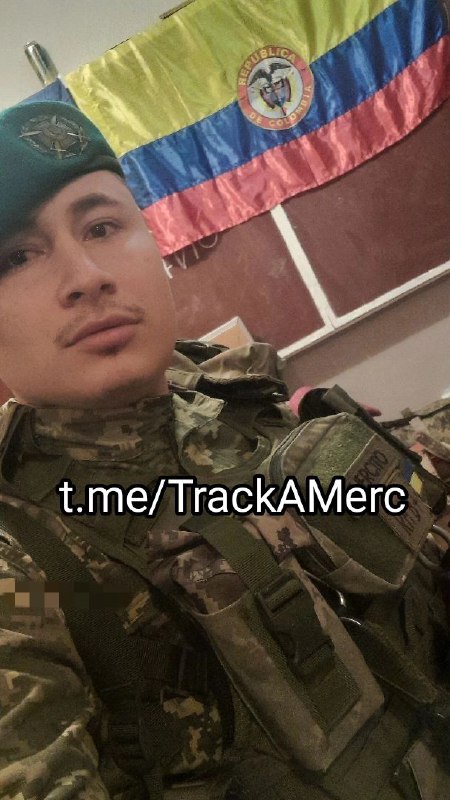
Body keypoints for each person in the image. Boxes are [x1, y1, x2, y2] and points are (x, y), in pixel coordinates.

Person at [0, 100, 448, 800]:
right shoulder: (17, 563)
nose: (86, 275)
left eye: (102, 226)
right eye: (17, 257)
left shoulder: (234, 399)